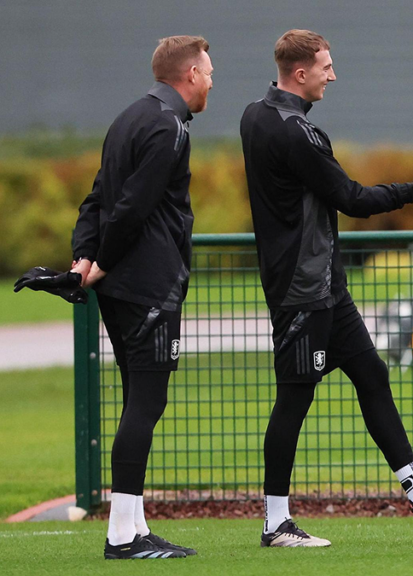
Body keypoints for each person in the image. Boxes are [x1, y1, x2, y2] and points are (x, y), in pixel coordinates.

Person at [239, 29, 413, 548]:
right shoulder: (295, 133)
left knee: (372, 374)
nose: (334, 74)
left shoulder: (254, 114)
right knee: (293, 401)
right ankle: (276, 523)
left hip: (323, 285)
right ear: (300, 72)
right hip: (304, 290)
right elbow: (354, 199)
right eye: (326, 66)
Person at [71, 35, 213, 560]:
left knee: (139, 400)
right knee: (147, 403)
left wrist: (83, 258)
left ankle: (135, 525)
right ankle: (121, 537)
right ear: (190, 74)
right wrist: (102, 258)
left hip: (122, 286)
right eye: (209, 72)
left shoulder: (129, 117)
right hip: (147, 285)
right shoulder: (169, 125)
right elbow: (129, 206)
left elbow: (96, 197)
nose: (211, 82)